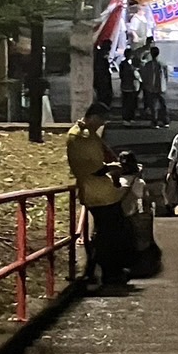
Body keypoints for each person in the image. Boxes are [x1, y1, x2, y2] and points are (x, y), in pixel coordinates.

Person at [66, 102, 131, 288]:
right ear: (94, 117)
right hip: (98, 193)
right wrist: (112, 168)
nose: (101, 125)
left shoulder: (87, 134)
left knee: (109, 233)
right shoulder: (80, 137)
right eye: (101, 120)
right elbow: (92, 167)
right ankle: (104, 272)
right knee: (109, 234)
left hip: (102, 192)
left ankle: (105, 271)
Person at [117, 151, 162, 278]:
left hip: (117, 216)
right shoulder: (139, 183)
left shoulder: (115, 181)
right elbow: (145, 201)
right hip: (133, 215)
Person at [141, 45, 169, 128]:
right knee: (163, 105)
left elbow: (144, 76)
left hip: (151, 87)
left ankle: (155, 121)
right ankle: (165, 121)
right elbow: (166, 76)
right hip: (161, 87)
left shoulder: (147, 65)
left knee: (153, 106)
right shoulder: (163, 64)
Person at [93, 39, 114, 109]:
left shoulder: (100, 55)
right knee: (103, 95)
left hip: (102, 78)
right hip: (102, 79)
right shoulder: (101, 57)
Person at [119, 51, 139, 124]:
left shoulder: (123, 64)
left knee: (127, 103)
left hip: (125, 86)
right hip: (130, 86)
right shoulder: (130, 65)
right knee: (129, 103)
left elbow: (121, 75)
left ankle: (127, 117)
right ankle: (129, 117)